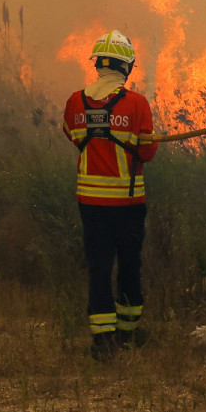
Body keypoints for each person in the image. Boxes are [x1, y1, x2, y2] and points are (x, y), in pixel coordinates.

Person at [62, 29, 158, 360]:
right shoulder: (136, 104)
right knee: (129, 265)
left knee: (99, 267)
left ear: (98, 64)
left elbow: (73, 136)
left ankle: (102, 341)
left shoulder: (75, 102)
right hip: (128, 204)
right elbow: (148, 153)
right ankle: (128, 333)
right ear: (126, 67)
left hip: (90, 204)